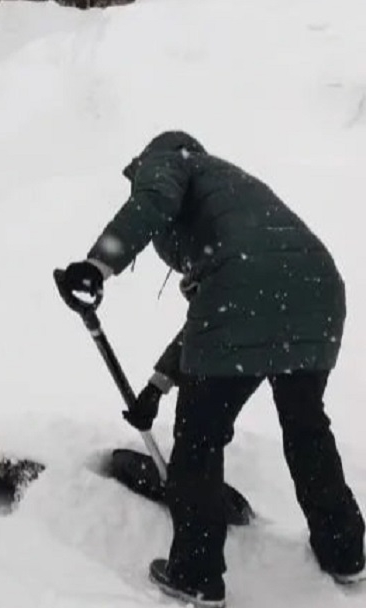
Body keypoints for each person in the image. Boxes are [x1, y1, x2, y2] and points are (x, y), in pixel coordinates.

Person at [59, 130, 365, 608]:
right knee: (306, 427)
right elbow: (226, 312)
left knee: (200, 437)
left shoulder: (167, 162)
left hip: (249, 292)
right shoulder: (233, 194)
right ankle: (345, 550)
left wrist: (97, 265)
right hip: (319, 291)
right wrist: (156, 388)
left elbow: (230, 303)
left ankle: (195, 572)